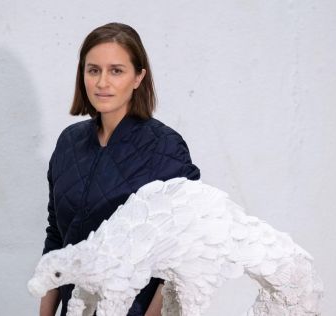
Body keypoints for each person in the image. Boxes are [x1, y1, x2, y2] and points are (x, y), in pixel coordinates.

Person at [39, 22, 201, 316]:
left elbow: (182, 251)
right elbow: (56, 236)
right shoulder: (69, 144)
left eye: (116, 70)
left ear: (138, 77)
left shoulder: (166, 147)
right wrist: (46, 309)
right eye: (93, 70)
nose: (102, 82)